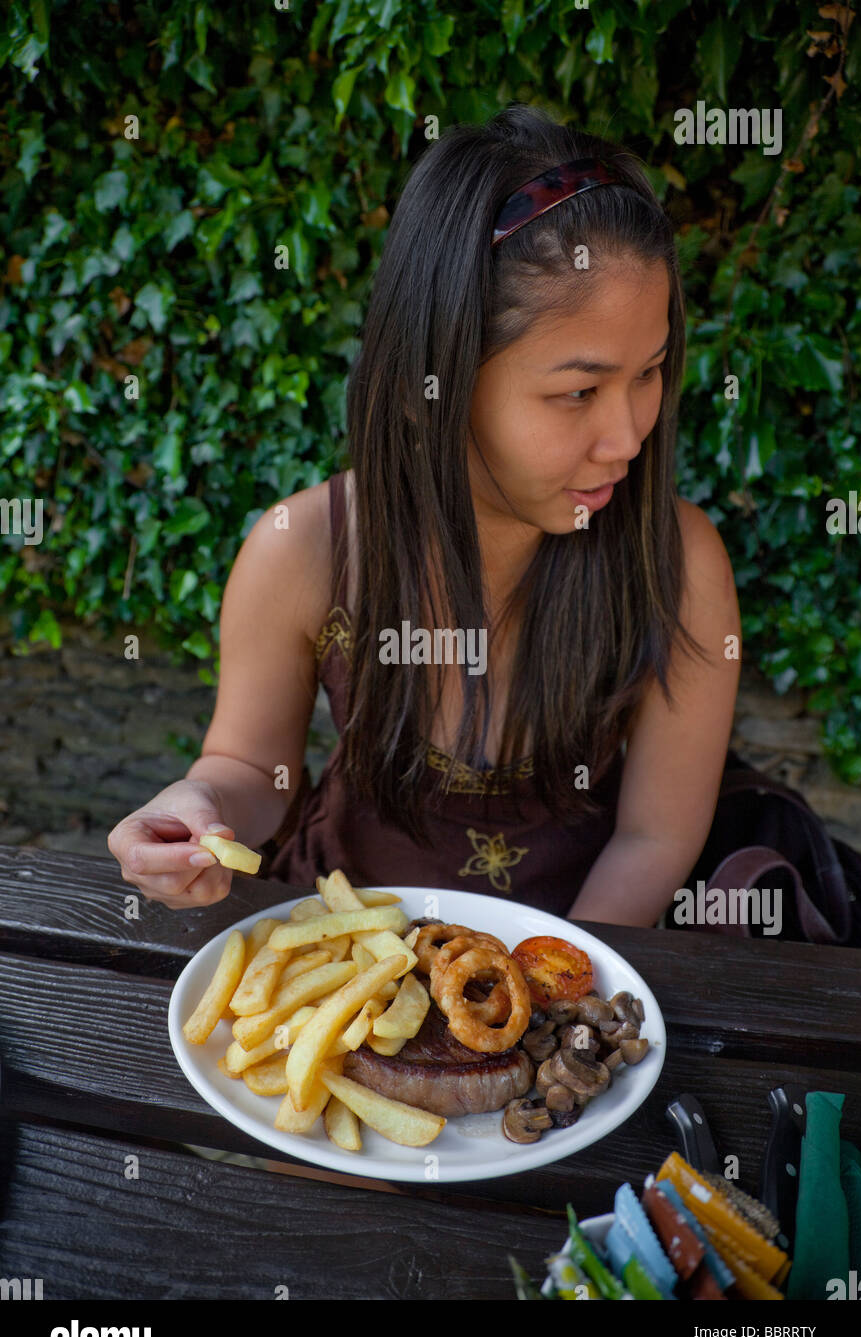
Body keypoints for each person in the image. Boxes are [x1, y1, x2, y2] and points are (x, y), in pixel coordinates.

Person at [107, 104, 741, 927]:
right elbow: (247, 768)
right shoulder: (305, 552)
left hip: (576, 956)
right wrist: (195, 803)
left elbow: (654, 837)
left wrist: (553, 993)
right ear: (430, 382)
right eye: (578, 392)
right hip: (348, 949)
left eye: (649, 373)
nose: (625, 437)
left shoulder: (676, 562)